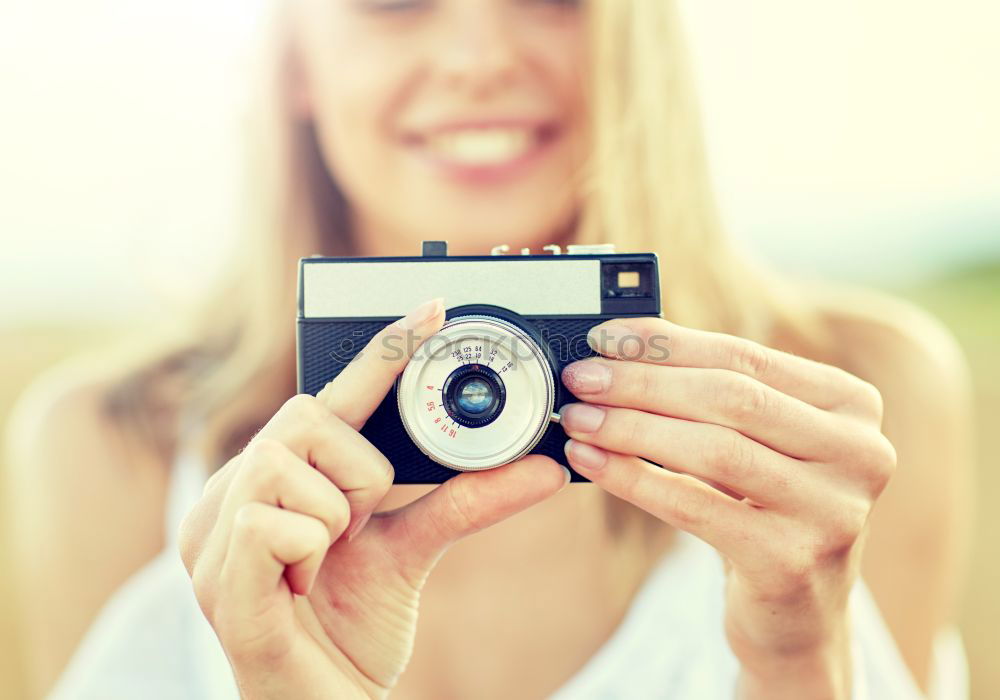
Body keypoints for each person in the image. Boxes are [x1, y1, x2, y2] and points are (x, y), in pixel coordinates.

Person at [4, 0, 975, 698]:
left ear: (634, 38)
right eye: (395, 4)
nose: (478, 55)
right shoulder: (107, 449)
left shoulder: (843, 411)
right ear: (294, 58)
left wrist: (800, 665)